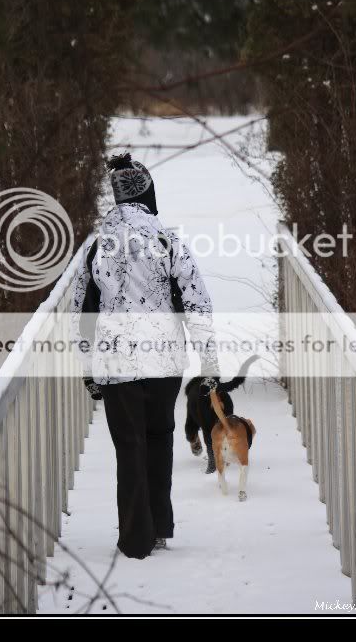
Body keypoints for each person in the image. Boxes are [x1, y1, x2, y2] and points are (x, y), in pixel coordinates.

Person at [71, 153, 219, 559]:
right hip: (164, 360)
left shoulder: (95, 246)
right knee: (159, 438)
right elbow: (196, 302)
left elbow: (81, 312)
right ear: (149, 193)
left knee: (129, 447)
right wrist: (209, 360)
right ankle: (159, 527)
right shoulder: (168, 240)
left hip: (116, 362)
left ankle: (134, 538)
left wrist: (88, 367)